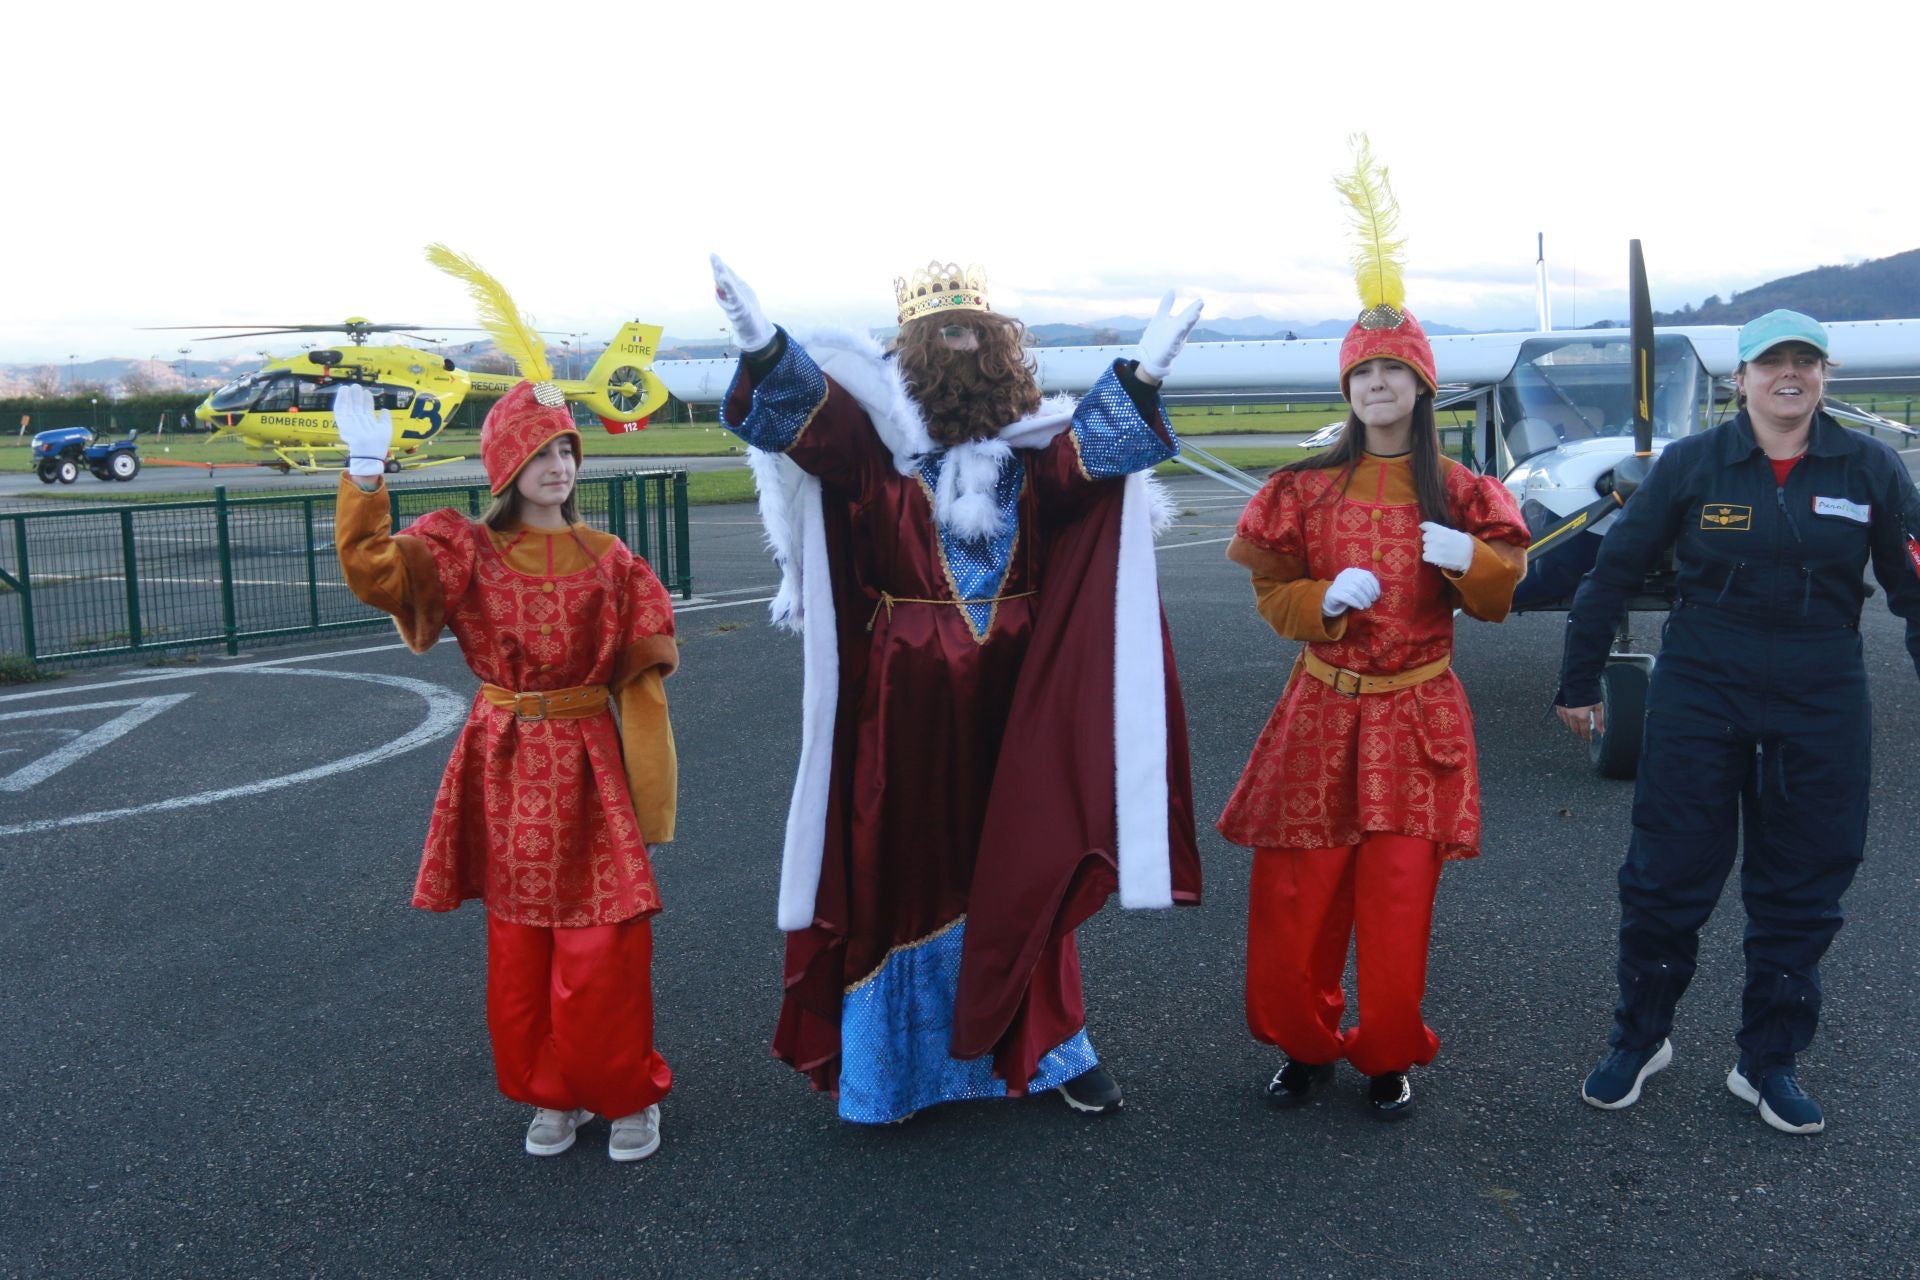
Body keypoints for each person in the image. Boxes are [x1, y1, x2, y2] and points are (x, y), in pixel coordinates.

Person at [710, 255, 1203, 1124]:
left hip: (1021, 695)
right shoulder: (877, 456)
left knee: (1028, 850)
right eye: (941, 336)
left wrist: (1143, 373)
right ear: (912, 355)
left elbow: (1088, 464)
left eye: (973, 331)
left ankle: (1048, 1047)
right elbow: (809, 427)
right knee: (899, 858)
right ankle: (893, 1068)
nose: (959, 345)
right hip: (902, 700)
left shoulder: (1029, 460)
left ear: (1002, 350)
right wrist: (764, 347)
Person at [332, 248, 679, 1161]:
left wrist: (653, 795)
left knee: (603, 941)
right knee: (521, 947)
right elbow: (376, 573)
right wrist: (366, 476)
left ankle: (625, 1090)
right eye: (540, 450)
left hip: (588, 759)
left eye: (568, 448)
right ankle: (549, 1090)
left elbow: (641, 686)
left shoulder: (616, 563)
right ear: (504, 463)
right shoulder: (463, 554)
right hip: (502, 755)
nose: (559, 465)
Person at [1218, 141, 1530, 1119]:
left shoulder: (1467, 491)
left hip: (1416, 715)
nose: (1379, 387)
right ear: (1347, 390)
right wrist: (1320, 602)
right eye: (1365, 373)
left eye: (1396, 372)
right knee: (1296, 896)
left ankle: (1386, 1050)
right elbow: (1272, 597)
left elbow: (1501, 596)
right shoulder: (1302, 490)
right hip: (1321, 710)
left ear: (1422, 388)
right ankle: (1303, 1044)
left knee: (1398, 903)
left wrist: (1465, 559)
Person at [1558, 309, 1920, 1135]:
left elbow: (1911, 586)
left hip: (1822, 696)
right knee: (1665, 877)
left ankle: (1767, 1061)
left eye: (1806, 362)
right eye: (1771, 363)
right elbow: (1610, 574)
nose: (1788, 376)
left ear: (1826, 376)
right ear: (1741, 378)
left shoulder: (1871, 468)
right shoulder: (1693, 465)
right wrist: (1578, 682)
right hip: (1700, 692)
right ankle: (1640, 1039)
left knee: (1803, 886)